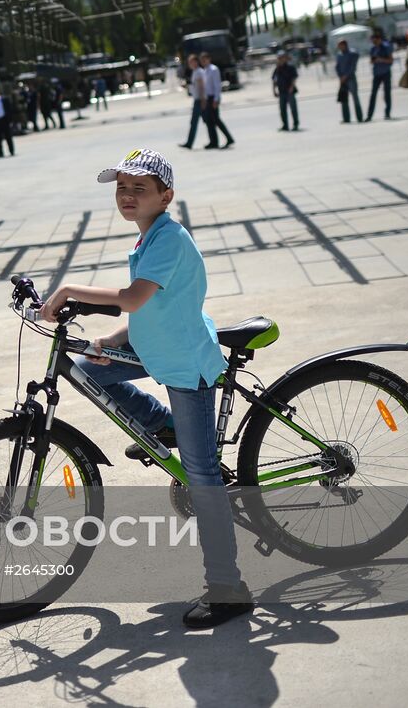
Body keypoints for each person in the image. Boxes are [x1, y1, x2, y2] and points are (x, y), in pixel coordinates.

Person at [42, 148, 250, 628]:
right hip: (158, 347)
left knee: (203, 478)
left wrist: (72, 289)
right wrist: (108, 341)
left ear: (166, 196)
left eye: (140, 188)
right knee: (88, 369)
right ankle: (166, 427)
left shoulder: (169, 240)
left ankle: (227, 588)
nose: (127, 196)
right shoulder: (148, 239)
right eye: (121, 188)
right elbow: (148, 310)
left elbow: (133, 298)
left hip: (183, 363)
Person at [199, 52, 234, 148]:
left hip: (213, 97)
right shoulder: (205, 71)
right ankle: (213, 141)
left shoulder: (213, 69)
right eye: (201, 60)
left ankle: (229, 138)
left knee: (216, 120)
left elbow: (217, 86)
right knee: (209, 121)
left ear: (209, 59)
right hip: (207, 98)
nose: (203, 62)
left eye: (204, 59)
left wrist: (216, 99)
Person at [179, 55, 208, 150]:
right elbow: (196, 86)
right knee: (207, 121)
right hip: (198, 99)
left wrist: (203, 100)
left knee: (196, 122)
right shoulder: (195, 72)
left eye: (191, 62)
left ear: (196, 62)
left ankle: (189, 143)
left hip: (199, 100)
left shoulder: (199, 72)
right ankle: (190, 142)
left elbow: (201, 87)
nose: (190, 64)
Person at [334, 39, 364, 124]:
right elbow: (337, 67)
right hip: (343, 80)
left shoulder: (352, 53)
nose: (339, 47)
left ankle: (359, 117)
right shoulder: (339, 55)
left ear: (345, 45)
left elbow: (352, 67)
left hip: (350, 78)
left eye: (340, 45)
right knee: (344, 99)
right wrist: (340, 77)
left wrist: (345, 76)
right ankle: (346, 118)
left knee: (355, 98)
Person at [367, 30, 394, 121]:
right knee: (373, 94)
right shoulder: (373, 49)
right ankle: (369, 115)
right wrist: (374, 60)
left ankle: (387, 113)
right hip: (377, 73)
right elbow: (371, 61)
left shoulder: (386, 47)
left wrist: (381, 59)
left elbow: (390, 60)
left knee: (387, 94)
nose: (374, 42)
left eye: (375, 40)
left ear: (379, 39)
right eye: (373, 41)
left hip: (386, 72)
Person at [272, 53, 299, 131]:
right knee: (282, 109)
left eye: (282, 58)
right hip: (281, 91)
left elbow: (294, 78)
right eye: (279, 58)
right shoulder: (277, 69)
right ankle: (285, 125)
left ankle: (295, 124)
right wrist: (274, 90)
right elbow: (274, 80)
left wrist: (291, 87)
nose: (280, 59)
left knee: (293, 109)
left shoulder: (290, 67)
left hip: (289, 91)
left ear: (285, 58)